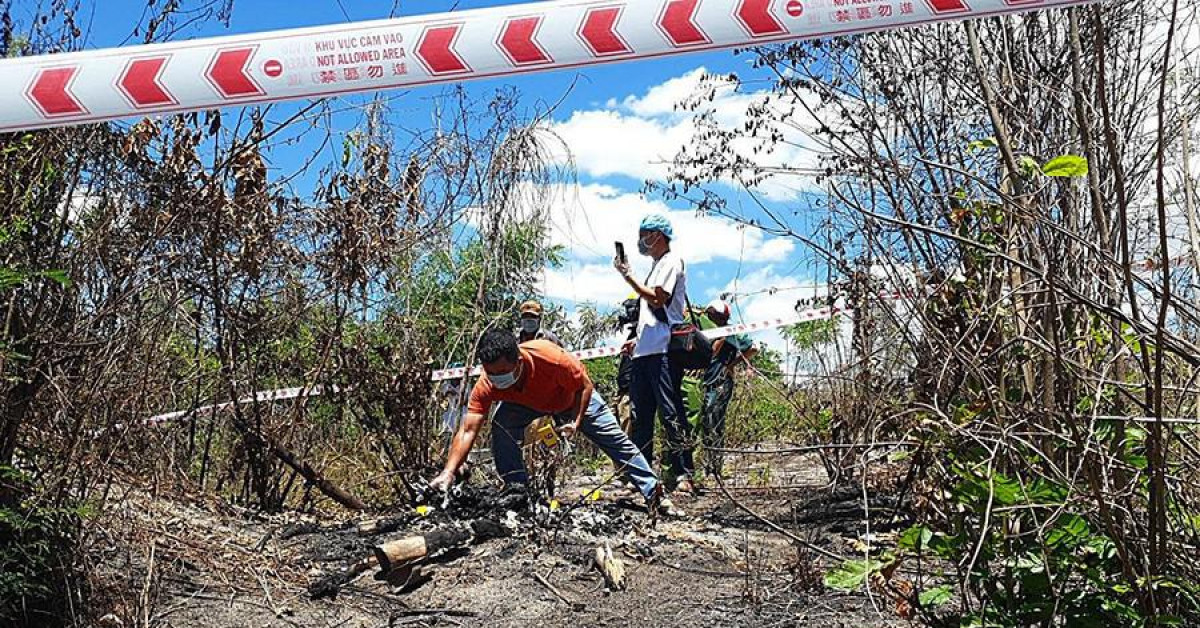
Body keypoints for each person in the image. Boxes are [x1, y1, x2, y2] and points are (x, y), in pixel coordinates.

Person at [429, 329, 673, 514]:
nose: (497, 379)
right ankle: (518, 492)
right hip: (525, 405)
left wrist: (576, 422)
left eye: (503, 373)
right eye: (491, 374)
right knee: (501, 425)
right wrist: (449, 472)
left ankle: (653, 492)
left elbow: (584, 386)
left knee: (614, 440)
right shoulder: (487, 383)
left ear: (519, 361)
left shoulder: (552, 359)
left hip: (572, 399)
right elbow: (468, 428)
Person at [613, 214, 697, 494]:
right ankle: (643, 475)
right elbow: (648, 314)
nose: (641, 240)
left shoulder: (672, 262)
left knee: (671, 413)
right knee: (641, 417)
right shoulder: (656, 267)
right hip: (643, 354)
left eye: (644, 233)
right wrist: (635, 342)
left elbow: (658, 298)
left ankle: (684, 472)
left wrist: (628, 278)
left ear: (658, 235)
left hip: (663, 351)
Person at [682, 299, 758, 479]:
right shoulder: (703, 327)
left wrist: (731, 365)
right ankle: (705, 466)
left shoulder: (730, 332)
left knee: (713, 422)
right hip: (704, 382)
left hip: (720, 382)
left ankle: (716, 466)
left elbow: (753, 348)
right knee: (701, 422)